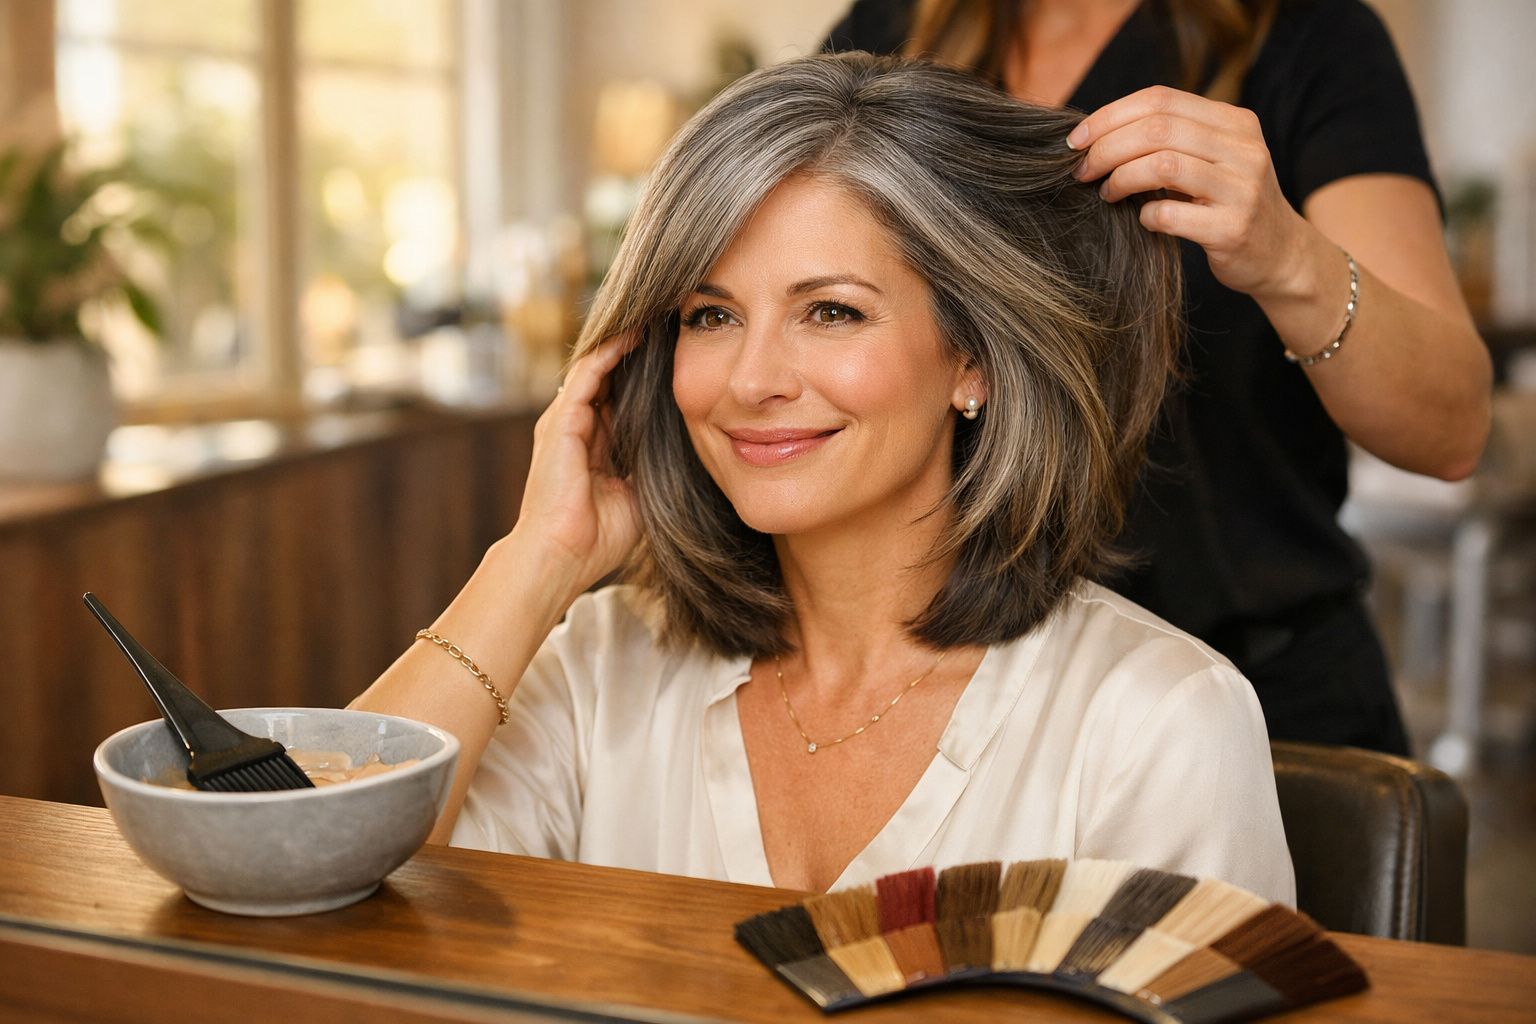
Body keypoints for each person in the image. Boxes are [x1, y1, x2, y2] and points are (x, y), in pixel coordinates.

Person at [351, 53, 1294, 903]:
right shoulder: (600, 672)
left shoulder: (1159, 720)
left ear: (974, 361)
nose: (753, 380)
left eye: (832, 313)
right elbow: (296, 876)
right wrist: (538, 559)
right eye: (709, 316)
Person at [826, 0, 1492, 756]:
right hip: (949, 705)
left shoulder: (1313, 38)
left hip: (1263, 712)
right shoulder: (887, 34)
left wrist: (1288, 258)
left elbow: (1451, 430)